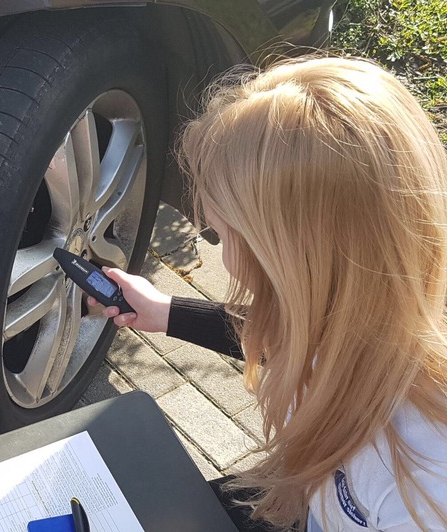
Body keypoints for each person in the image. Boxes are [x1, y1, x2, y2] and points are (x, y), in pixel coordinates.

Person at [88, 56, 447, 530]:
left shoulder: (424, 487)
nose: (218, 249)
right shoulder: (370, 323)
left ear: (292, 257)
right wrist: (165, 312)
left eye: (218, 233)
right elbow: (294, 337)